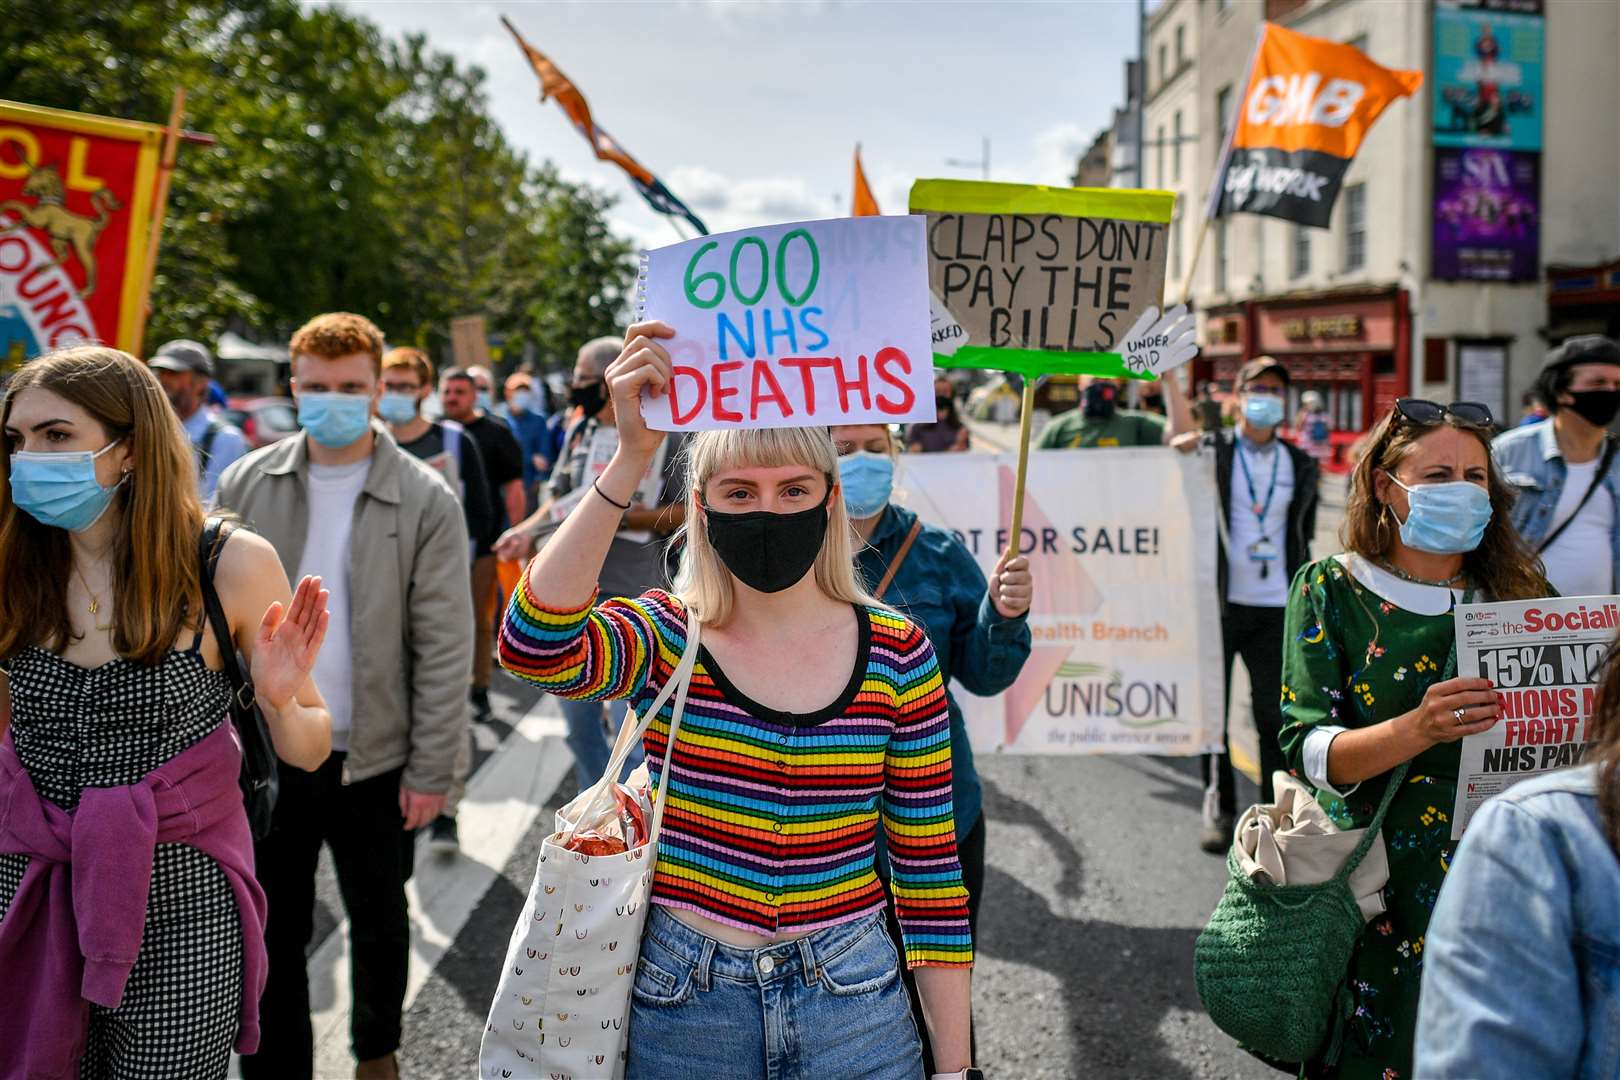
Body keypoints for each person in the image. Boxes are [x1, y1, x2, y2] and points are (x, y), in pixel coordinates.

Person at [497, 320, 974, 1080]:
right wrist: (630, 458)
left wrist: (957, 1071)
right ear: (703, 506)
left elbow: (928, 876)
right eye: (740, 491)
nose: (768, 509)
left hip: (854, 1001)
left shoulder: (897, 652)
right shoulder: (666, 635)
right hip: (685, 1003)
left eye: (793, 489)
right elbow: (533, 646)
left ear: (828, 500)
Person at [0, 345, 331, 1079]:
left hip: (185, 899)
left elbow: (310, 748)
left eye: (56, 436)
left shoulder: (230, 563)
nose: (29, 458)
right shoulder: (12, 563)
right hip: (31, 885)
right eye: (16, 440)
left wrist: (279, 700)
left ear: (132, 449)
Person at [217, 312, 474, 1080]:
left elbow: (444, 644)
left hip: (375, 753)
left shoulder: (425, 496)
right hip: (269, 749)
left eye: (352, 388)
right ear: (294, 387)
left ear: (376, 389)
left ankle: (377, 1052)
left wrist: (435, 768)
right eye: (319, 387)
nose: (335, 400)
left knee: (379, 914)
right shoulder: (246, 481)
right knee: (273, 923)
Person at [1277, 398, 1550, 1079]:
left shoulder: (1521, 594)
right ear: (1384, 485)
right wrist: (1414, 730)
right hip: (1379, 891)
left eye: (1475, 476)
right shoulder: (1332, 590)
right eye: (1435, 476)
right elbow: (1307, 747)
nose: (1460, 490)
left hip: (1504, 884)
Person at [832, 420, 1030, 1072]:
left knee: (940, 983)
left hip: (939, 811)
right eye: (844, 448)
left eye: (874, 448)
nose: (862, 462)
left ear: (896, 455)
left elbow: (985, 673)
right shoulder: (788, 549)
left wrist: (1002, 617)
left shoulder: (939, 552)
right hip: (826, 825)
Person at [1414, 649, 1620, 1079]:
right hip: (1410, 867)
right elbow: (1303, 745)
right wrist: (1417, 728)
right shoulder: (1541, 838)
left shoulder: (1533, 833)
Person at [495, 336, 686, 789]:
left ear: (608, 381)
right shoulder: (578, 429)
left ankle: (628, 830)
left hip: (636, 602)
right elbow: (560, 498)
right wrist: (527, 530)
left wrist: (612, 510)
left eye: (581, 379)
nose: (573, 388)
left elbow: (686, 511)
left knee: (633, 739)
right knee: (579, 730)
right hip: (571, 603)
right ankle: (587, 821)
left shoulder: (669, 433)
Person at [1173, 357, 1320, 852]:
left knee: (1272, 717)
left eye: (1276, 389)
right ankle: (1220, 807)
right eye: (1256, 387)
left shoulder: (1301, 465)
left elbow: (1301, 535)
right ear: (1236, 395)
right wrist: (1171, 381)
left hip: (1276, 608)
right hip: (1220, 606)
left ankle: (1273, 816)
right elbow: (1177, 447)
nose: (1266, 397)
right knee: (1213, 715)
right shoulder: (1214, 452)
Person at [380, 347, 500, 854]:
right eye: (389, 385)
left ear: (424, 391)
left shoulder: (455, 440)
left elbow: (482, 516)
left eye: (406, 386)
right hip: (382, 588)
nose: (396, 396)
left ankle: (446, 806)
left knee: (441, 696)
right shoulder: (371, 443)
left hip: (440, 585)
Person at [1493, 335, 1620, 598]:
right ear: (1562, 391)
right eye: (1598, 382)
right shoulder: (1510, 451)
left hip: (1605, 626)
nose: (1610, 391)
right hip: (1522, 617)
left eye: (1617, 384)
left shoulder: (1617, 460)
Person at [439, 367, 524, 723]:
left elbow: (514, 488)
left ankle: (479, 689)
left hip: (484, 544)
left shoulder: (495, 433)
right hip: (438, 546)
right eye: (447, 392)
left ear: (474, 395)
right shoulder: (435, 433)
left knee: (477, 617)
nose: (452, 398)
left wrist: (517, 533)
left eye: (460, 391)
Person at [149, 338, 249, 501]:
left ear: (202, 382)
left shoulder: (225, 439)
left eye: (173, 373)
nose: (163, 380)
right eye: (160, 372)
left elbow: (217, 509)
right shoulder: (147, 431)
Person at [1036, 374, 1182, 448]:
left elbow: (1178, 433)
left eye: (1107, 381)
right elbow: (1034, 467)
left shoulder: (1135, 423)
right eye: (1095, 380)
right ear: (1081, 382)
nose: (1101, 386)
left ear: (1117, 384)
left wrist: (1169, 380)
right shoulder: (1058, 428)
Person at [503, 370, 554, 501]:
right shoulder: (500, 420)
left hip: (531, 486)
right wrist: (530, 457)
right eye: (517, 391)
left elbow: (545, 456)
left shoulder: (538, 420)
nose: (522, 396)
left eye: (525, 391)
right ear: (508, 393)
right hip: (505, 486)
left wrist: (539, 476)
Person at [907, 376, 971, 452]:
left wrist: (960, 444)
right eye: (937, 392)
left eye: (945, 392)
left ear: (952, 394)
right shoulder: (918, 427)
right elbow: (913, 451)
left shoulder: (960, 428)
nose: (941, 395)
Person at [1295, 389, 1334, 465]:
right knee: (1316, 465)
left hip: (1307, 444)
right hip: (1320, 444)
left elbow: (1298, 427)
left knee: (1308, 464)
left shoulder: (1304, 414)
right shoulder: (1324, 415)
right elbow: (1329, 429)